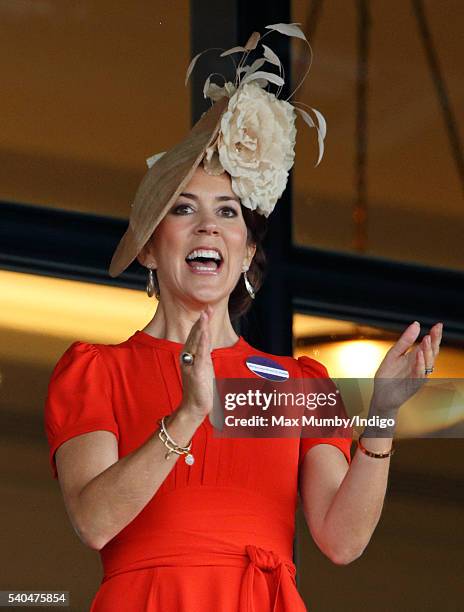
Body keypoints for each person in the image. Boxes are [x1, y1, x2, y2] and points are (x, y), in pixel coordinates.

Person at [44, 23, 443, 611]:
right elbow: (95, 521)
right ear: (150, 247)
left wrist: (380, 415)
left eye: (228, 212)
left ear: (247, 251)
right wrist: (188, 416)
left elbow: (341, 540)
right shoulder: (98, 371)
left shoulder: (296, 386)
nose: (209, 225)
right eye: (184, 208)